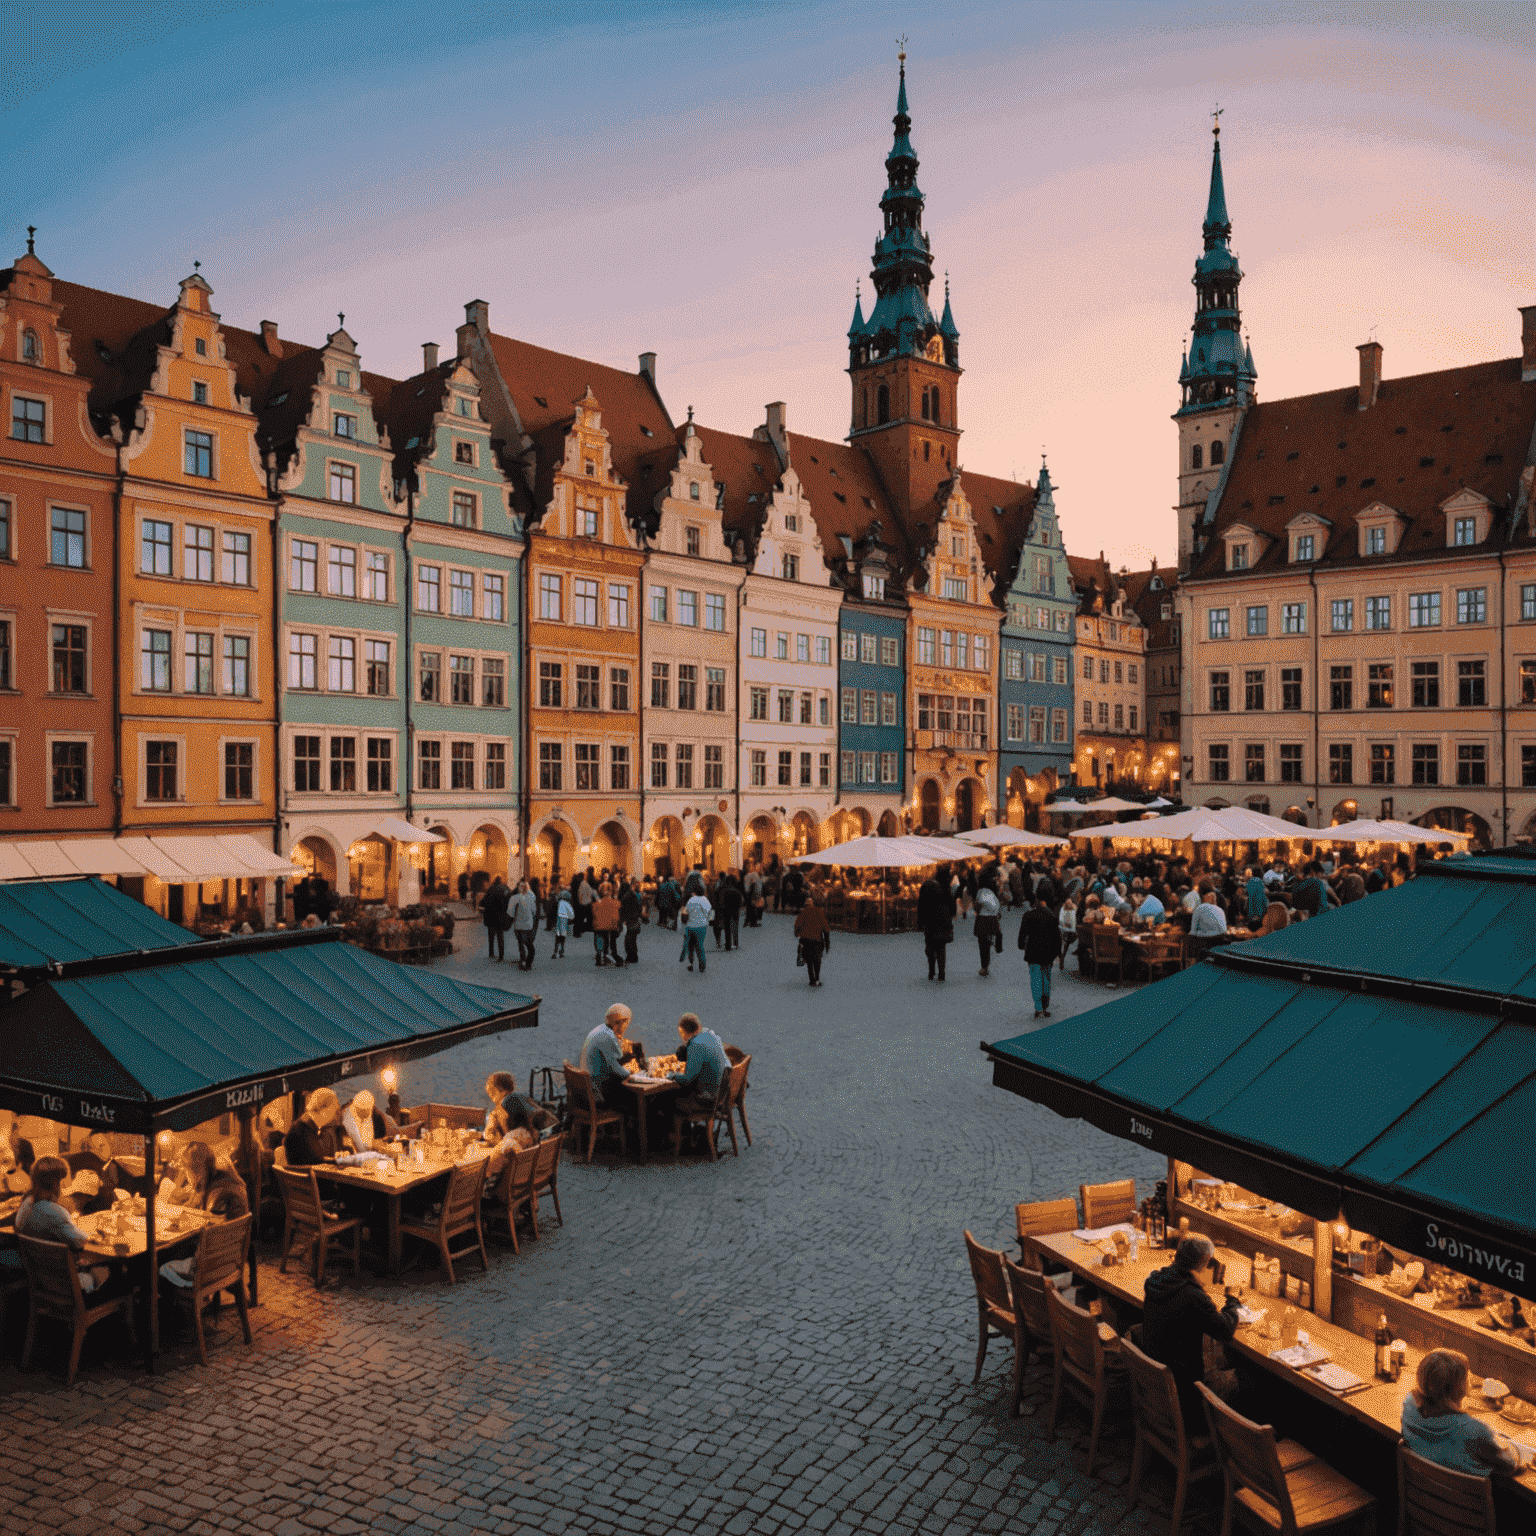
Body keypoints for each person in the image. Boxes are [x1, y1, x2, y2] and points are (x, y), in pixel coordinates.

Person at [1140, 1234, 1242, 1431]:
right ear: (1204, 1266)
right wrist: (1232, 1301)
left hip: (1161, 1384)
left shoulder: (1155, 1280)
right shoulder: (1193, 1296)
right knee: (1249, 1380)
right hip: (1188, 1396)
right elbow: (1225, 1330)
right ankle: (1233, 1444)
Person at [1401, 1349, 1529, 1476]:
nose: (1471, 1379)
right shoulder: (1475, 1431)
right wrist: (1515, 1449)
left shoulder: (1410, 1403)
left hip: (1422, 1489)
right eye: (1467, 1375)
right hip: (1457, 1495)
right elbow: (1509, 1466)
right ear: (1460, 1387)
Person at [15, 1155, 112, 1294]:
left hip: (39, 1280)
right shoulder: (55, 1211)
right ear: (56, 1184)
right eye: (64, 1182)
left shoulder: (26, 1204)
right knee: (113, 1269)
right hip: (65, 1287)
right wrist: (94, 1235)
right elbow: (80, 1242)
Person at [666, 1013, 729, 1124]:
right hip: (723, 1093)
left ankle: (676, 1137)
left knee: (667, 1099)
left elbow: (688, 1079)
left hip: (707, 1099)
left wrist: (671, 1076)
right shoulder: (711, 1034)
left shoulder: (695, 1044)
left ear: (683, 1031)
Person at [581, 1003, 634, 1112]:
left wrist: (623, 1060)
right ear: (621, 1022)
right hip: (598, 1094)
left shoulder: (599, 1030)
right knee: (634, 1097)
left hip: (586, 1091)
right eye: (626, 1023)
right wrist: (633, 1075)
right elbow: (616, 1070)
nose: (626, 1027)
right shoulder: (608, 1037)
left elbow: (607, 1062)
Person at [1017, 893, 1061, 1019]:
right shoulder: (1051, 915)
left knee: (1035, 980)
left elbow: (1022, 934)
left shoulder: (1028, 916)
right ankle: (1045, 1005)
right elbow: (1057, 937)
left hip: (1033, 952)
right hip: (1048, 953)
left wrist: (1021, 945)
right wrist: (1057, 953)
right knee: (1046, 978)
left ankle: (1038, 1008)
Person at [284, 1087, 341, 1166]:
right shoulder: (301, 1132)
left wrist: (340, 1159)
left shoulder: (307, 1127)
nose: (335, 1113)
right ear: (323, 1108)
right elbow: (316, 1164)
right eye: (334, 1108)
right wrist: (340, 1161)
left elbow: (317, 1160)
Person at [917, 866, 953, 982]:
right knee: (941, 949)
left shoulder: (927, 886)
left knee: (930, 947)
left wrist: (920, 922)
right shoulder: (946, 889)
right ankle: (941, 973)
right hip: (943, 923)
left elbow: (921, 905)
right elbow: (952, 907)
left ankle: (931, 971)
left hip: (930, 922)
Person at [793, 894, 831, 986]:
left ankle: (812, 980)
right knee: (817, 961)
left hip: (806, 940)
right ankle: (817, 979)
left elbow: (797, 925)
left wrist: (797, 934)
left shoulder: (804, 912)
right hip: (817, 941)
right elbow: (826, 929)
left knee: (809, 961)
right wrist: (827, 944)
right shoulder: (820, 913)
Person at [972, 881, 1002, 978]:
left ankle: (984, 967)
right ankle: (995, 946)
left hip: (982, 921)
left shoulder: (981, 892)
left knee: (983, 945)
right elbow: (997, 907)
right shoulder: (993, 894)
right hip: (992, 920)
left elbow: (977, 907)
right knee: (987, 942)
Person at [509, 878, 540, 970]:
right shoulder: (534, 893)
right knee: (528, 942)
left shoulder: (525, 893)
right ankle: (527, 962)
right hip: (531, 920)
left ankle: (525, 960)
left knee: (523, 942)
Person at [680, 884, 712, 973]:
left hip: (690, 926)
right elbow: (709, 912)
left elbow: (686, 911)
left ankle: (691, 965)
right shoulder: (705, 900)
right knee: (700, 946)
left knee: (690, 947)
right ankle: (702, 966)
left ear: (694, 892)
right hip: (702, 926)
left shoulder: (691, 900)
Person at [592, 882, 622, 967]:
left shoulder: (597, 904)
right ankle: (612, 955)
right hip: (612, 927)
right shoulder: (615, 903)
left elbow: (594, 913)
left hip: (599, 927)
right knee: (612, 940)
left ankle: (600, 955)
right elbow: (618, 907)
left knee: (599, 938)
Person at [481, 875, 510, 962]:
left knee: (491, 935)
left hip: (490, 916)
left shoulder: (490, 890)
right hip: (500, 917)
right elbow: (507, 902)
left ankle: (491, 953)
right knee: (500, 937)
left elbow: (484, 902)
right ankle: (501, 956)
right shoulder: (503, 890)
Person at [620, 881, 643, 966]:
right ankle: (634, 957)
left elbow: (623, 911)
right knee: (633, 940)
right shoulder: (634, 895)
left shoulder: (625, 898)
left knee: (629, 940)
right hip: (635, 922)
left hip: (630, 922)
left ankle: (631, 957)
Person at [1057, 896, 1078, 970]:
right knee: (1066, 945)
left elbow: (1061, 919)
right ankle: (1062, 958)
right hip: (1070, 930)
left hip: (1064, 929)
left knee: (1064, 945)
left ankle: (1061, 958)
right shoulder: (1073, 908)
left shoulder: (1063, 908)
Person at [553, 890, 573, 957]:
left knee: (557, 938)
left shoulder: (558, 903)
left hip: (558, 923)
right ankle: (561, 952)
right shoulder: (567, 904)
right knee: (563, 939)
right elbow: (571, 915)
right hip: (564, 923)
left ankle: (555, 952)